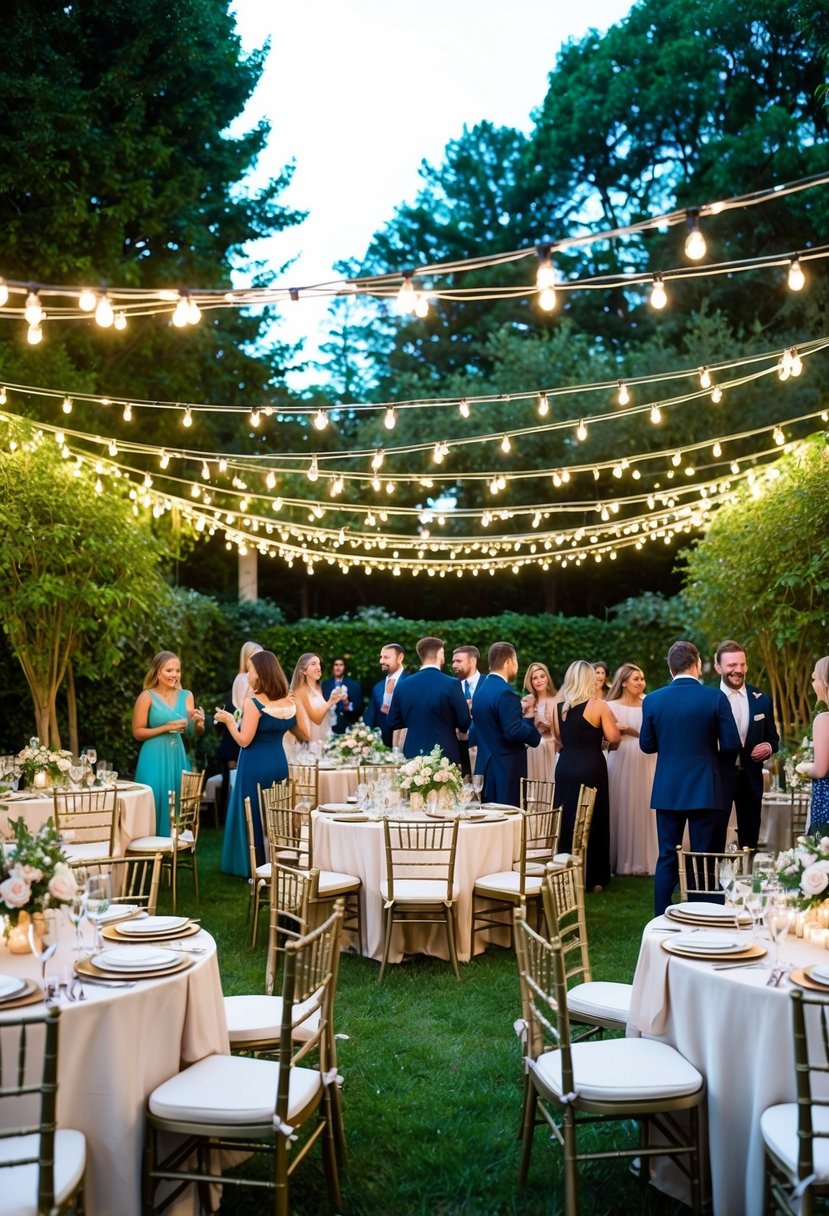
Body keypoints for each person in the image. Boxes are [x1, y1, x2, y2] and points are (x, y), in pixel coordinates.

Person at [640, 640, 741, 917]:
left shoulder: (653, 699)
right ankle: (704, 914)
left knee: (667, 856)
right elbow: (731, 744)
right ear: (696, 664)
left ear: (671, 668)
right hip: (705, 787)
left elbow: (647, 745)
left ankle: (661, 916)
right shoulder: (714, 698)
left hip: (668, 788)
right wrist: (712, 763)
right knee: (703, 856)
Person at [216, 650, 303, 876]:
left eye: (250, 669)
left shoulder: (254, 703)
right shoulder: (289, 701)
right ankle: (278, 857)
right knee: (275, 810)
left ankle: (251, 863)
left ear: (261, 672)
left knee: (252, 811)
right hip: (279, 762)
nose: (247, 673)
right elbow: (301, 730)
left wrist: (228, 721)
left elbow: (244, 740)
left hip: (254, 764)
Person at [552, 660, 621, 892]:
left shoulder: (558, 706)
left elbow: (558, 739)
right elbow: (614, 738)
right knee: (593, 816)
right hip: (591, 764)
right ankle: (594, 877)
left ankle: (566, 872)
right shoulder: (598, 706)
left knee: (567, 815)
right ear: (589, 679)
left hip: (565, 765)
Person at [714, 639, 780, 849]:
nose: (738, 670)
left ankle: (749, 876)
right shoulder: (709, 699)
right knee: (715, 833)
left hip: (751, 779)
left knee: (750, 837)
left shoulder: (761, 699)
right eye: (731, 665)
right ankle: (714, 879)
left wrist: (769, 747)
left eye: (742, 665)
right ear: (718, 667)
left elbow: (773, 739)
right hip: (718, 778)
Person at [133, 651, 205, 834]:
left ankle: (170, 851)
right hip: (153, 757)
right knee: (154, 798)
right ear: (158, 673)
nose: (175, 675)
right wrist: (166, 727)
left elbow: (192, 733)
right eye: (169, 670)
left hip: (176, 756)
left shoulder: (186, 695)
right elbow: (137, 732)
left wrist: (199, 723)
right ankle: (149, 850)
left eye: (178, 671)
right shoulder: (146, 696)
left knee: (176, 800)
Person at [468, 642, 541, 806]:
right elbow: (513, 731)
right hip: (506, 770)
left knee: (491, 819)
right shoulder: (505, 693)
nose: (516, 666)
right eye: (515, 661)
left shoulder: (480, 691)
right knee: (509, 819)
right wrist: (533, 732)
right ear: (508, 662)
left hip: (486, 767)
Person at [606, 663, 657, 876]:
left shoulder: (649, 702)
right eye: (636, 678)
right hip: (621, 758)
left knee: (646, 805)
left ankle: (646, 859)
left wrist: (630, 730)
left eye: (642, 678)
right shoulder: (610, 706)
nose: (641, 682)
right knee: (622, 803)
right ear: (624, 682)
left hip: (646, 757)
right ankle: (622, 859)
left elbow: (653, 734)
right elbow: (606, 740)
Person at [390, 637, 470, 763]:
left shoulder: (402, 685)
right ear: (440, 654)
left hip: (413, 753)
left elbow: (393, 722)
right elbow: (464, 721)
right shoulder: (451, 684)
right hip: (445, 753)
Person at [798, 655, 829, 831]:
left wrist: (804, 770)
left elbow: (821, 769)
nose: (813, 684)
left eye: (814, 679)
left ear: (825, 682)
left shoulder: (824, 719)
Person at [289, 653, 347, 748]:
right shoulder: (301, 690)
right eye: (313, 664)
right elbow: (316, 719)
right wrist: (330, 702)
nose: (318, 667)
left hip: (323, 739)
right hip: (311, 742)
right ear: (303, 671)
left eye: (319, 664)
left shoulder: (318, 687)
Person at [364, 643, 408, 748]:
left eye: (386, 657)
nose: (381, 661)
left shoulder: (411, 683)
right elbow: (370, 718)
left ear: (400, 658)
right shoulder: (377, 687)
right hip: (380, 750)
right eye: (381, 657)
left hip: (406, 747)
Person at [521, 662, 558, 783]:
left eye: (542, 676)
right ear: (530, 681)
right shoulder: (528, 700)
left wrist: (550, 725)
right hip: (534, 749)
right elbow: (521, 727)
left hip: (553, 748)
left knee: (552, 784)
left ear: (547, 677)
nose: (539, 681)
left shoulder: (557, 700)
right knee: (534, 785)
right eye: (535, 678)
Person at [452, 644, 486, 775]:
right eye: (453, 661)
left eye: (459, 661)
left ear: (472, 661)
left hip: (482, 747)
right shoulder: (450, 685)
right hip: (456, 748)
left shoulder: (487, 683)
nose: (454, 665)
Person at [321, 657, 364, 735]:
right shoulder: (325, 684)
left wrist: (347, 703)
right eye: (336, 665)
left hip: (349, 728)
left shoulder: (354, 685)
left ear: (345, 667)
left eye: (341, 665)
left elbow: (359, 709)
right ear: (332, 667)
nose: (338, 667)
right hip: (328, 728)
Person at [232, 641, 262, 712]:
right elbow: (240, 710)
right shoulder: (244, 678)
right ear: (247, 658)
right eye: (256, 657)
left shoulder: (253, 679)